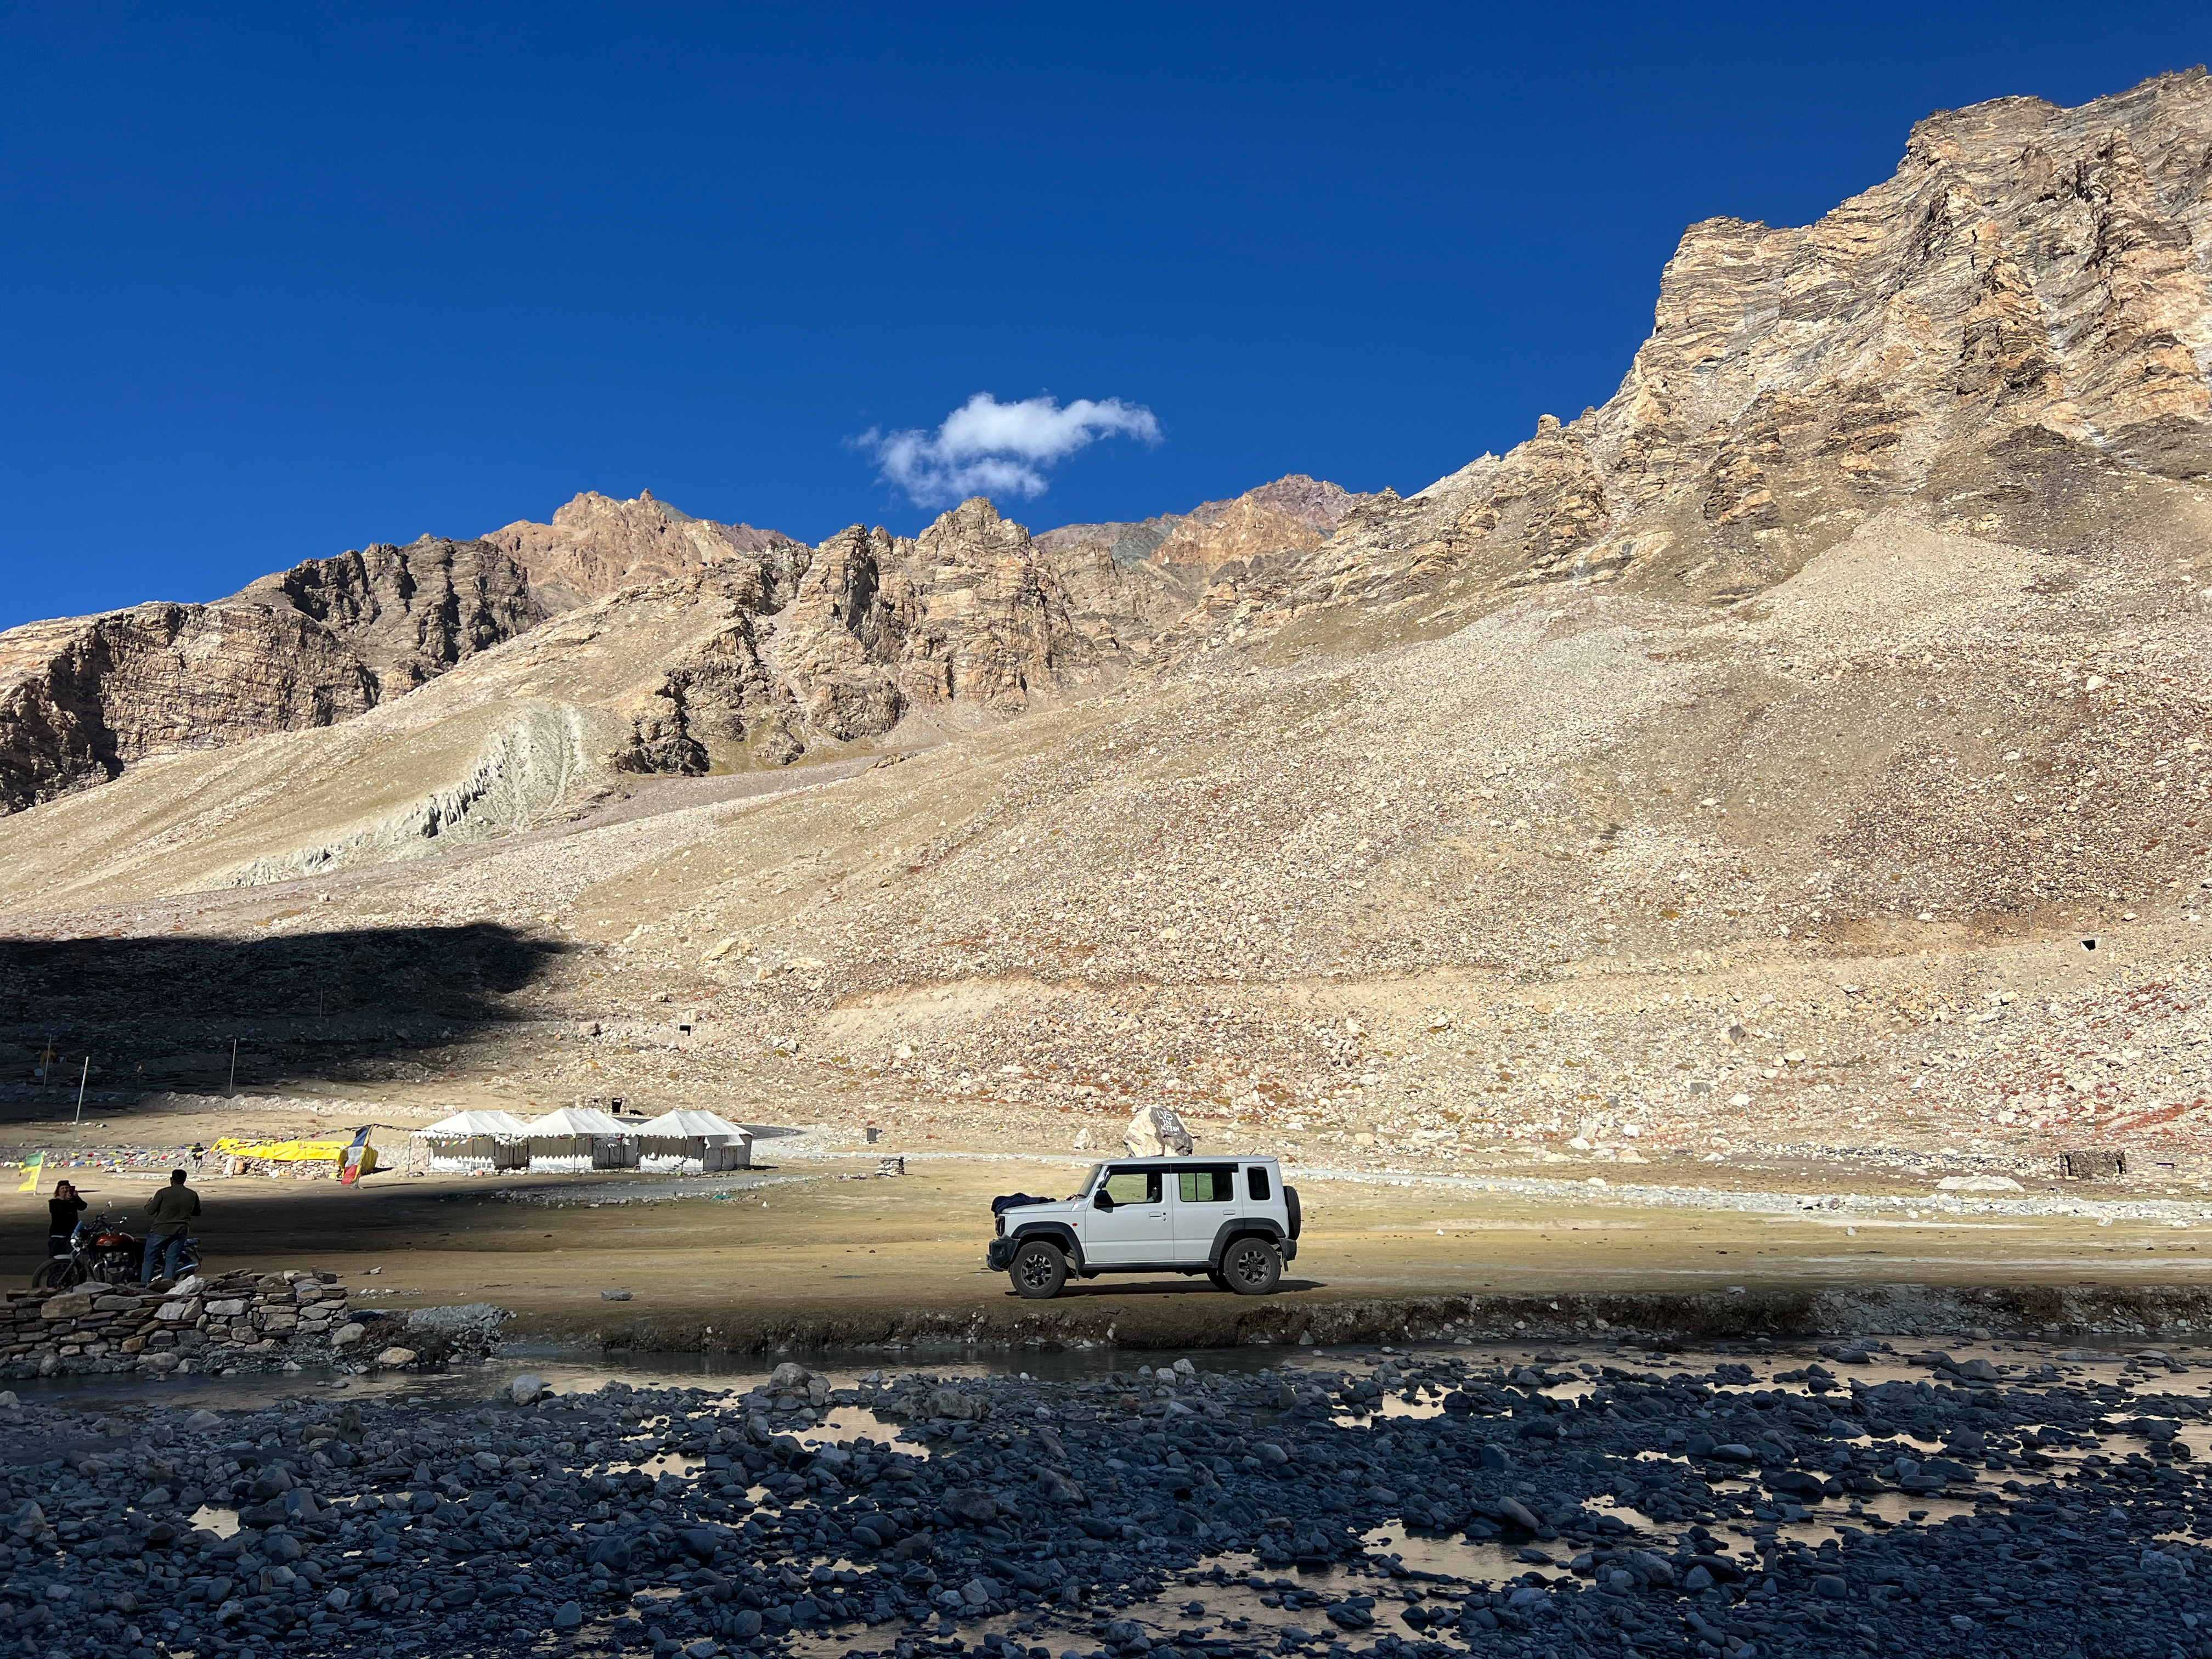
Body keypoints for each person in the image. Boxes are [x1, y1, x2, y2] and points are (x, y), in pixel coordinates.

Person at [140, 1169, 200, 1285]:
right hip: (180, 1231)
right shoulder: (192, 1195)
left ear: (172, 1180)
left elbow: (151, 1211)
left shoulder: (163, 1193)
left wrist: (147, 1205)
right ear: (184, 1180)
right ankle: (167, 1286)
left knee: (149, 1259)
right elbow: (197, 1212)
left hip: (160, 1230)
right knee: (172, 1260)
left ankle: (144, 1285)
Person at [46, 1180, 86, 1261]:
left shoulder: (72, 1202)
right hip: (57, 1236)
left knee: (70, 1260)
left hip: (70, 1236)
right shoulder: (54, 1202)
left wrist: (77, 1198)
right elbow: (58, 1211)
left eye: (67, 1188)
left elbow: (83, 1207)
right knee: (55, 1260)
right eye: (63, 1188)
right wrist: (65, 1201)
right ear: (58, 1190)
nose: (65, 1190)